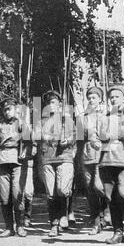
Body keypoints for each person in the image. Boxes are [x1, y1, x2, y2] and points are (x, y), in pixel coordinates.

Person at [97, 85, 124, 244]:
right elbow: (97, 137)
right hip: (107, 160)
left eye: (117, 96)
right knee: (111, 198)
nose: (114, 99)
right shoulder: (105, 117)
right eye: (112, 97)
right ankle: (118, 232)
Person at [0, 97, 33, 238]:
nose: (7, 112)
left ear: (15, 109)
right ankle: (9, 227)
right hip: (2, 164)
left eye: (10, 109)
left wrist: (26, 151)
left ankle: (20, 226)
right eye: (5, 110)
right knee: (4, 198)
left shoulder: (21, 124)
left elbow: (29, 143)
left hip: (18, 163)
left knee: (17, 196)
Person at [39, 90, 76, 237]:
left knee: (63, 189)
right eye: (48, 103)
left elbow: (75, 136)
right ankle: (54, 224)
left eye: (53, 102)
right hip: (47, 158)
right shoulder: (41, 121)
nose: (50, 105)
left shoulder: (67, 119)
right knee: (50, 193)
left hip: (64, 156)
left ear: (59, 104)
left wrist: (68, 140)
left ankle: (65, 213)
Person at [76, 86, 108, 235]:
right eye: (89, 97)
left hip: (102, 156)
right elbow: (79, 138)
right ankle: (96, 222)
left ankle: (106, 211)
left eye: (94, 97)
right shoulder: (83, 117)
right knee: (90, 190)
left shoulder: (106, 114)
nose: (91, 100)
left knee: (100, 187)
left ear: (100, 99)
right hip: (87, 156)